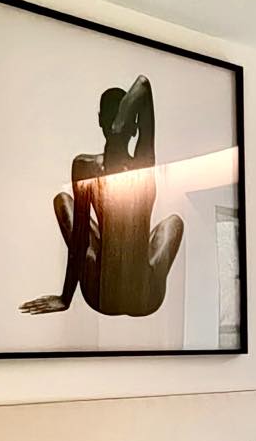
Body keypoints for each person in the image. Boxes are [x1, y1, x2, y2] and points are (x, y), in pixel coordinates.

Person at [21, 75, 184, 318]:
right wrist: (122, 125)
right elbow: (143, 85)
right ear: (135, 128)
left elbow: (79, 240)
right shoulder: (143, 163)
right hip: (145, 297)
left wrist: (66, 297)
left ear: (99, 120)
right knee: (173, 222)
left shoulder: (85, 166)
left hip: (101, 297)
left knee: (63, 201)